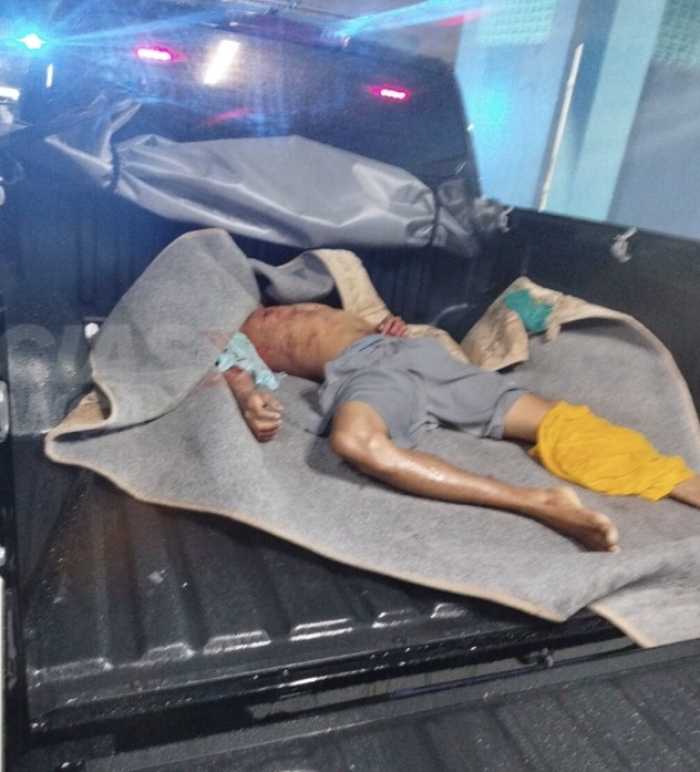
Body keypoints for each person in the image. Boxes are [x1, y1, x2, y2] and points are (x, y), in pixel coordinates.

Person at [223, 303, 700, 552]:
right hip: (367, 372)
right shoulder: (236, 331)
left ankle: (681, 482)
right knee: (355, 442)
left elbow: (369, 322)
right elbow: (230, 367)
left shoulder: (314, 301)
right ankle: (535, 502)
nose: (277, 313)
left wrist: (385, 325)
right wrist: (247, 399)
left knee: (557, 419)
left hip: (418, 355)